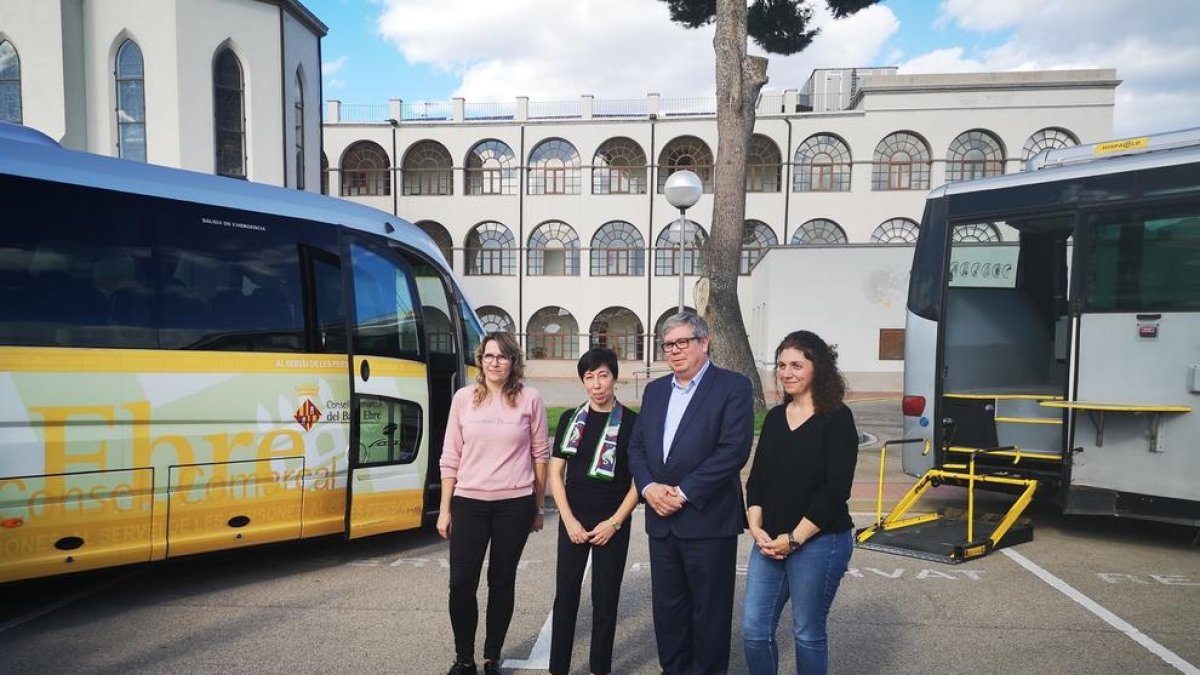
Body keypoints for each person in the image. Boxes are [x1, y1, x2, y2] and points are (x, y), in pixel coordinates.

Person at [627, 311, 754, 675]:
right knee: (668, 610)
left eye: (682, 342)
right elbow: (636, 448)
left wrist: (682, 493)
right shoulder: (654, 391)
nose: (674, 351)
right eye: (668, 344)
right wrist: (649, 488)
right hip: (660, 522)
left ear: (704, 343)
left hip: (707, 519)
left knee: (709, 613)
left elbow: (733, 451)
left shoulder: (733, 387)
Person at [741, 331, 858, 675]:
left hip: (819, 542)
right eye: (781, 365)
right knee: (753, 630)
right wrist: (756, 528)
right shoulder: (776, 418)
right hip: (769, 543)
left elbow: (836, 491)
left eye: (796, 365)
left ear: (817, 369)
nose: (786, 372)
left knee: (807, 633)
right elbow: (758, 479)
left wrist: (795, 539)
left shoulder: (837, 418)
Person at [438, 332, 549, 675]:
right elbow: (450, 455)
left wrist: (538, 505)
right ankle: (463, 658)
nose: (495, 362)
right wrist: (444, 508)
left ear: (513, 361)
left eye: (502, 356)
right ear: (480, 360)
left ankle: (491, 657)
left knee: (501, 581)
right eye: (488, 356)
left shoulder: (530, 399)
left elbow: (540, 454)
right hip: (468, 502)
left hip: (514, 504)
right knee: (461, 581)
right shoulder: (463, 399)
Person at [548, 347, 640, 675]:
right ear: (583, 382)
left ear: (615, 377)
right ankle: (557, 667)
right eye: (590, 377)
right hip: (573, 519)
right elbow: (555, 473)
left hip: (612, 522)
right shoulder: (569, 420)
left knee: (605, 601)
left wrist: (614, 523)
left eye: (603, 375)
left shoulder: (632, 423)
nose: (597, 384)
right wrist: (568, 519)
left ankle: (599, 668)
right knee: (567, 596)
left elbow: (638, 483)